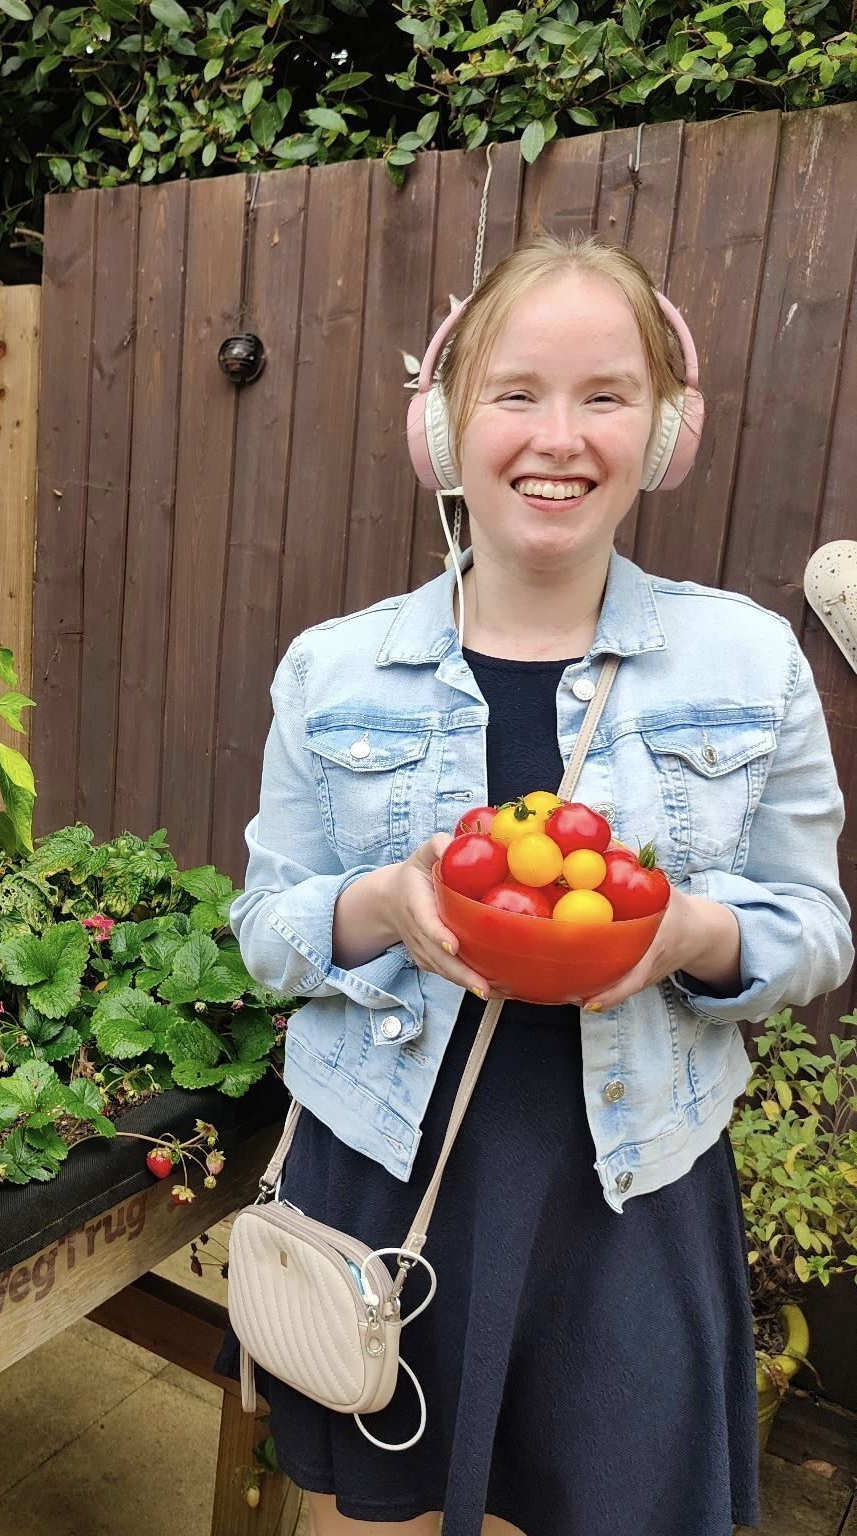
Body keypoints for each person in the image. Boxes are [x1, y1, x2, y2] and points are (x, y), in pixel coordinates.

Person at [213, 232, 853, 1536]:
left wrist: (692, 932)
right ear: (446, 431)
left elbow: (817, 930)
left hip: (627, 1192)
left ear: (665, 433)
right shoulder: (336, 673)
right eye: (515, 392)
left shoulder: (748, 662)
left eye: (605, 395)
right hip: (384, 1166)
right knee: (369, 1517)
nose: (557, 437)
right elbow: (265, 934)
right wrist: (376, 908)